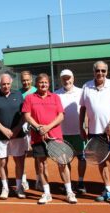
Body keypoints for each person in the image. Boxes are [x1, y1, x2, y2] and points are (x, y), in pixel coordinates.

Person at [22, 73, 77, 204]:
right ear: (37, 84)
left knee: (62, 163)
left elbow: (61, 116)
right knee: (41, 165)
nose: (44, 84)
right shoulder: (30, 98)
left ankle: (69, 192)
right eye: (41, 82)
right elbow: (27, 116)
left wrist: (47, 127)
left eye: (46, 82)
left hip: (55, 136)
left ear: (49, 84)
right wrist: (39, 128)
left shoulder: (56, 97)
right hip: (38, 137)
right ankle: (47, 193)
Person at [79, 61, 110, 207]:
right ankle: (108, 189)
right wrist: (82, 126)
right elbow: (83, 109)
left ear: (107, 72)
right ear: (94, 71)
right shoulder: (86, 86)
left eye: (103, 71)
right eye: (98, 70)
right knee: (100, 160)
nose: (100, 73)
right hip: (93, 130)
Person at [0, 73, 28, 199]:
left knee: (19, 162)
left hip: (18, 135)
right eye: (3, 84)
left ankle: (19, 187)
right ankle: (5, 188)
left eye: (8, 84)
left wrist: (16, 129)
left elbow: (24, 115)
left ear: (11, 83)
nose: (6, 86)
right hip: (1, 136)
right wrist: (4, 129)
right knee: (3, 162)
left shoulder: (18, 95)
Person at [54, 69, 87, 194]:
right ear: (60, 80)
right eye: (64, 78)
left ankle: (80, 182)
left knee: (81, 158)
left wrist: (85, 128)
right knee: (64, 160)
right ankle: (68, 184)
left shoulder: (81, 92)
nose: (66, 80)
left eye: (68, 78)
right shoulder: (56, 94)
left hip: (79, 132)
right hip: (61, 134)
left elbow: (87, 110)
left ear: (73, 78)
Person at [19, 70, 41, 191]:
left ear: (31, 80)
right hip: (23, 129)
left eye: (27, 80)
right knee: (22, 155)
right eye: (23, 80)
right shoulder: (18, 94)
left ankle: (38, 181)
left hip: (35, 128)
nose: (25, 82)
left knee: (37, 155)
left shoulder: (36, 92)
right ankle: (23, 180)